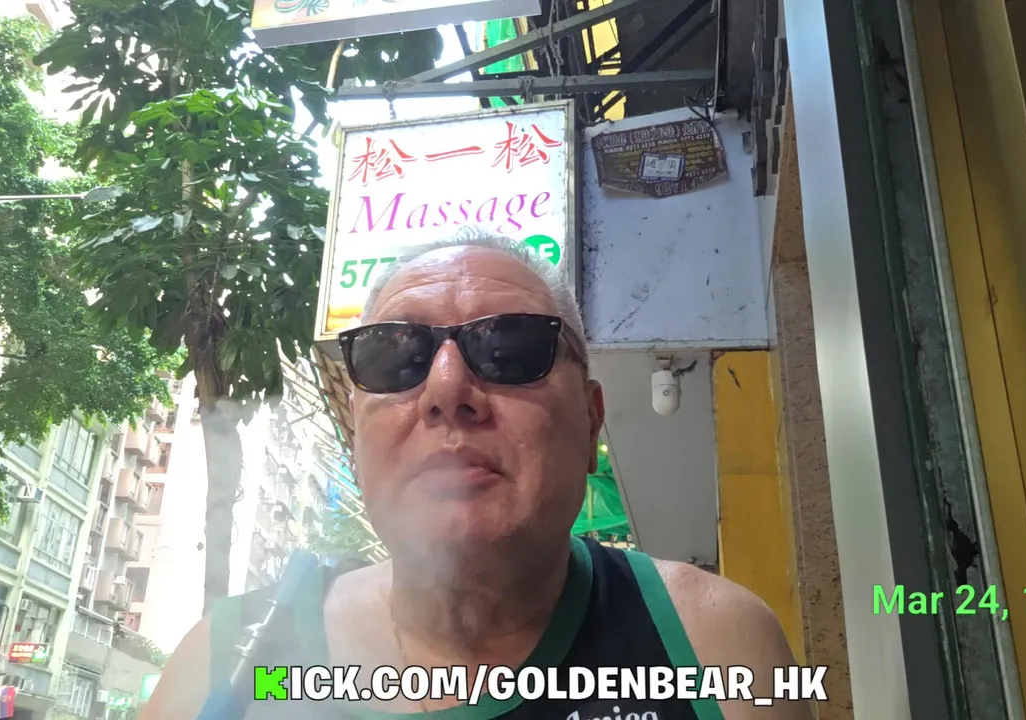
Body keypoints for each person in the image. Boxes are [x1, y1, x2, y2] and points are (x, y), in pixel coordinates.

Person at [142, 230, 810, 720]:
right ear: (355, 433)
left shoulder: (714, 645)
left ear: (590, 423)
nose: (447, 389)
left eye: (510, 349)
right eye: (396, 358)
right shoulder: (223, 668)